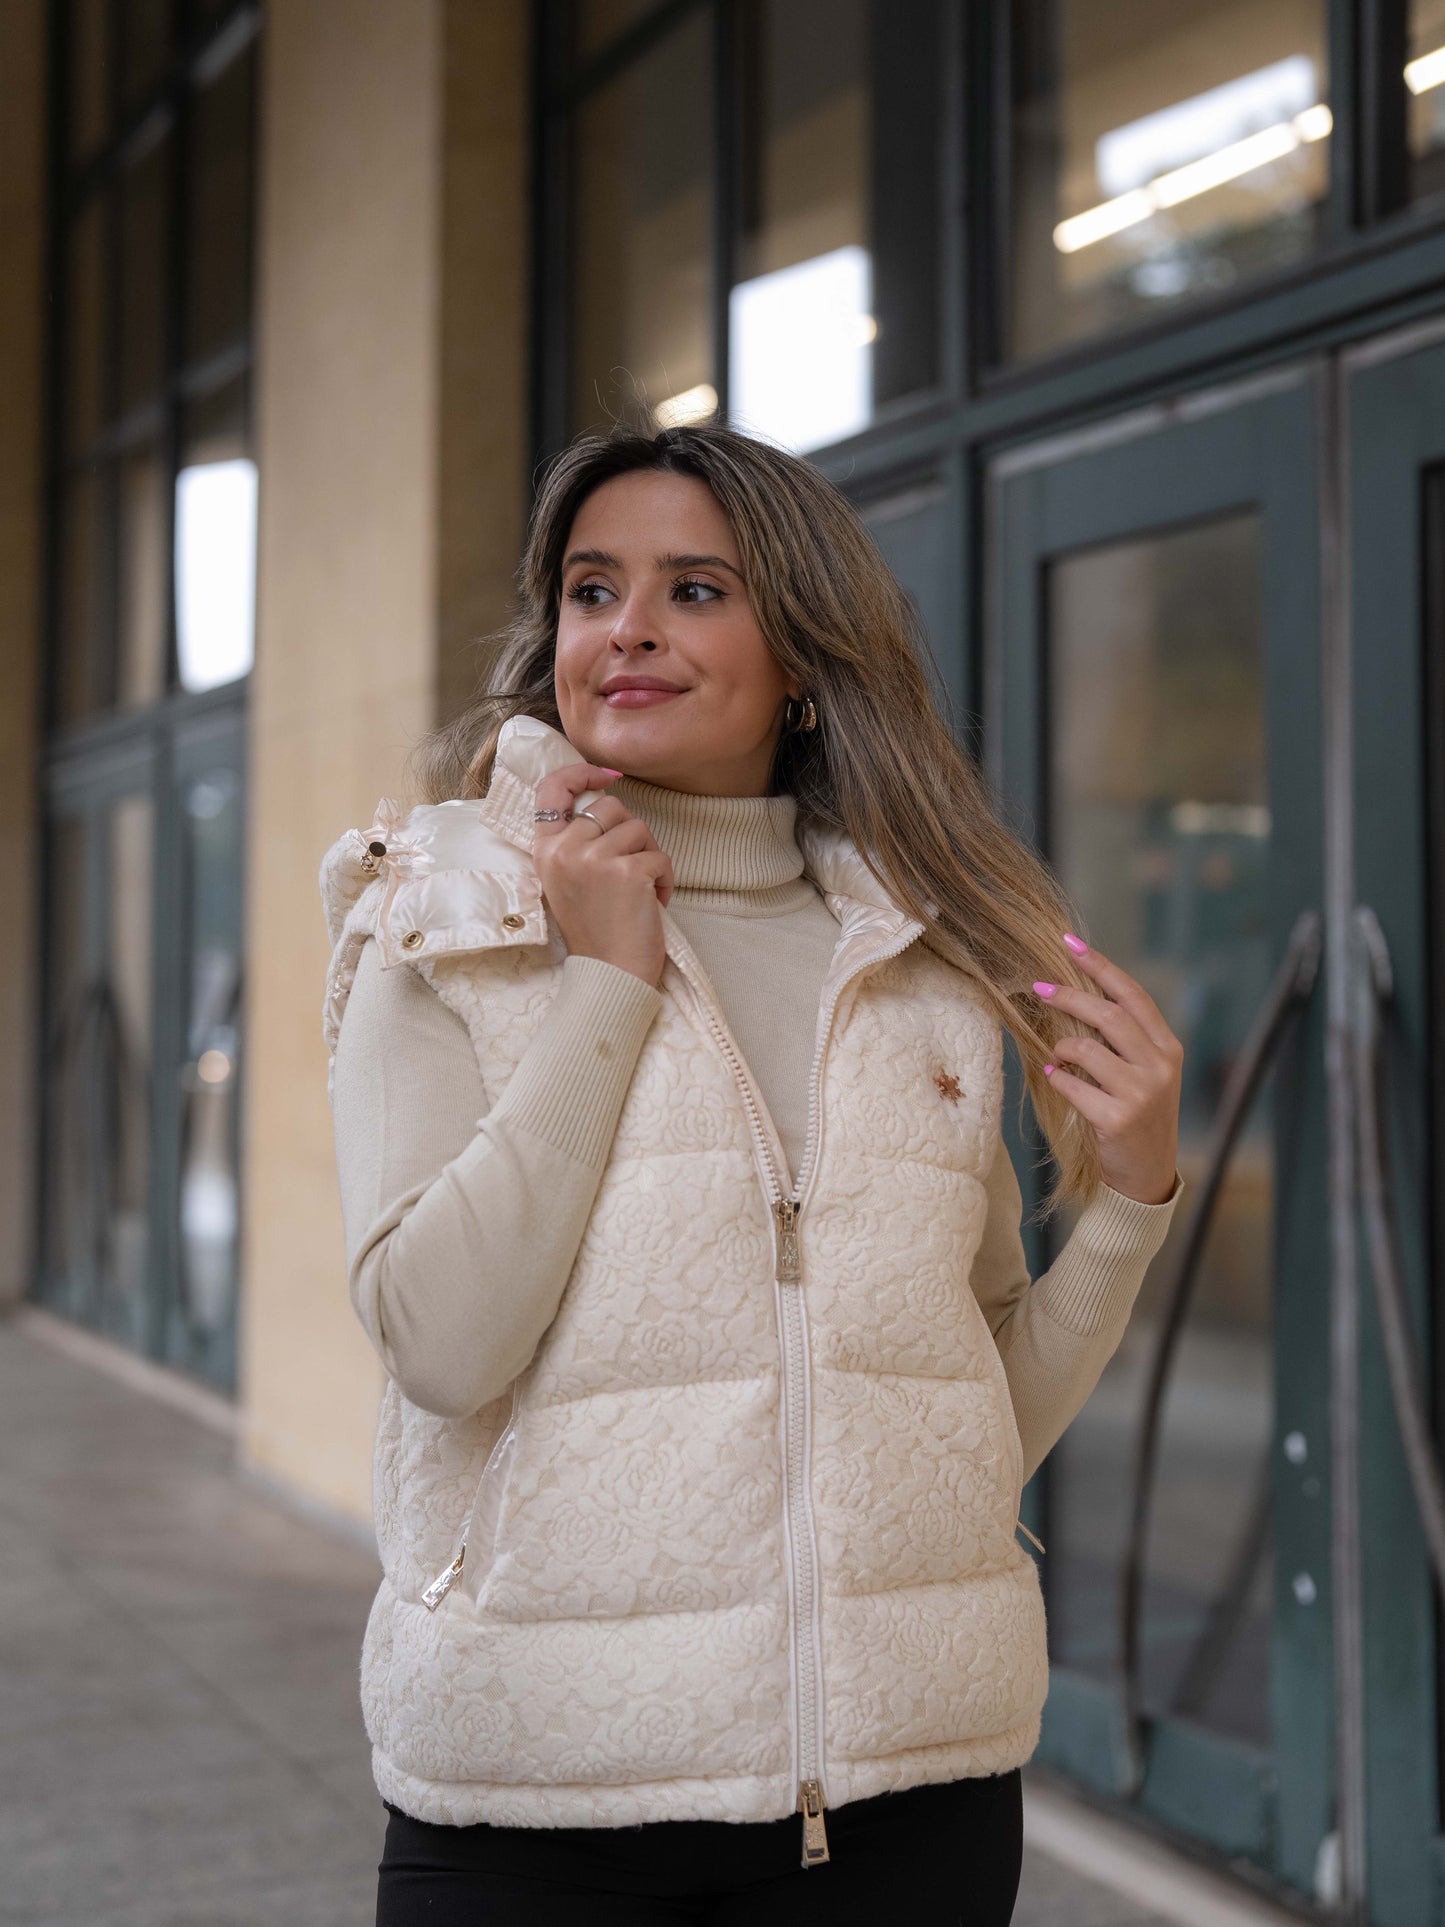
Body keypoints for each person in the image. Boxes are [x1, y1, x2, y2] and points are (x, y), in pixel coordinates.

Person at [320, 421, 1185, 1925]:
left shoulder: (915, 963)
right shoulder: (449, 914)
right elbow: (437, 1347)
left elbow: (955, 1431)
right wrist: (605, 986)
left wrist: (1126, 1204)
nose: (630, 629)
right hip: (541, 1801)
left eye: (696, 590)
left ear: (802, 658)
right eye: (593, 590)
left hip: (906, 1803)